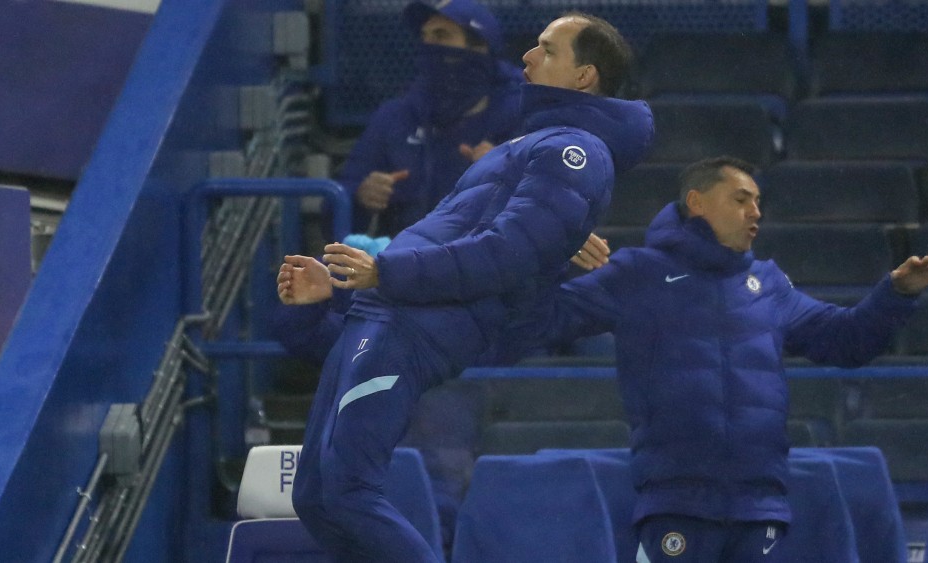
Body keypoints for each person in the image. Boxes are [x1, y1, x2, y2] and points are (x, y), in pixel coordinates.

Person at [279, 12, 654, 562]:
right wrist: (338, 292)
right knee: (315, 494)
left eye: (547, 49)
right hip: (386, 312)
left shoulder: (575, 153)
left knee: (347, 489)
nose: (527, 57)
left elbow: (505, 255)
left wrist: (387, 274)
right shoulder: (528, 144)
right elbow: (458, 237)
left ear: (584, 77)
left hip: (413, 323)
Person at [536, 156, 928, 562]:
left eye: (757, 202)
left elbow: (845, 341)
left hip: (759, 507)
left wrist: (896, 294)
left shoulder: (768, 284)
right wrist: (549, 256)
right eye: (740, 199)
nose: (755, 212)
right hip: (675, 502)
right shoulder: (637, 274)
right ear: (697, 203)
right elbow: (544, 319)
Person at [337, 0, 524, 237]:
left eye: (441, 35)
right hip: (404, 263)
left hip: (493, 264)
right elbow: (335, 211)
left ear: (479, 48)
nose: (429, 46)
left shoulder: (525, 117)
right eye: (425, 36)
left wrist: (508, 175)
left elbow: (554, 209)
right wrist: (361, 196)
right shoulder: (395, 117)